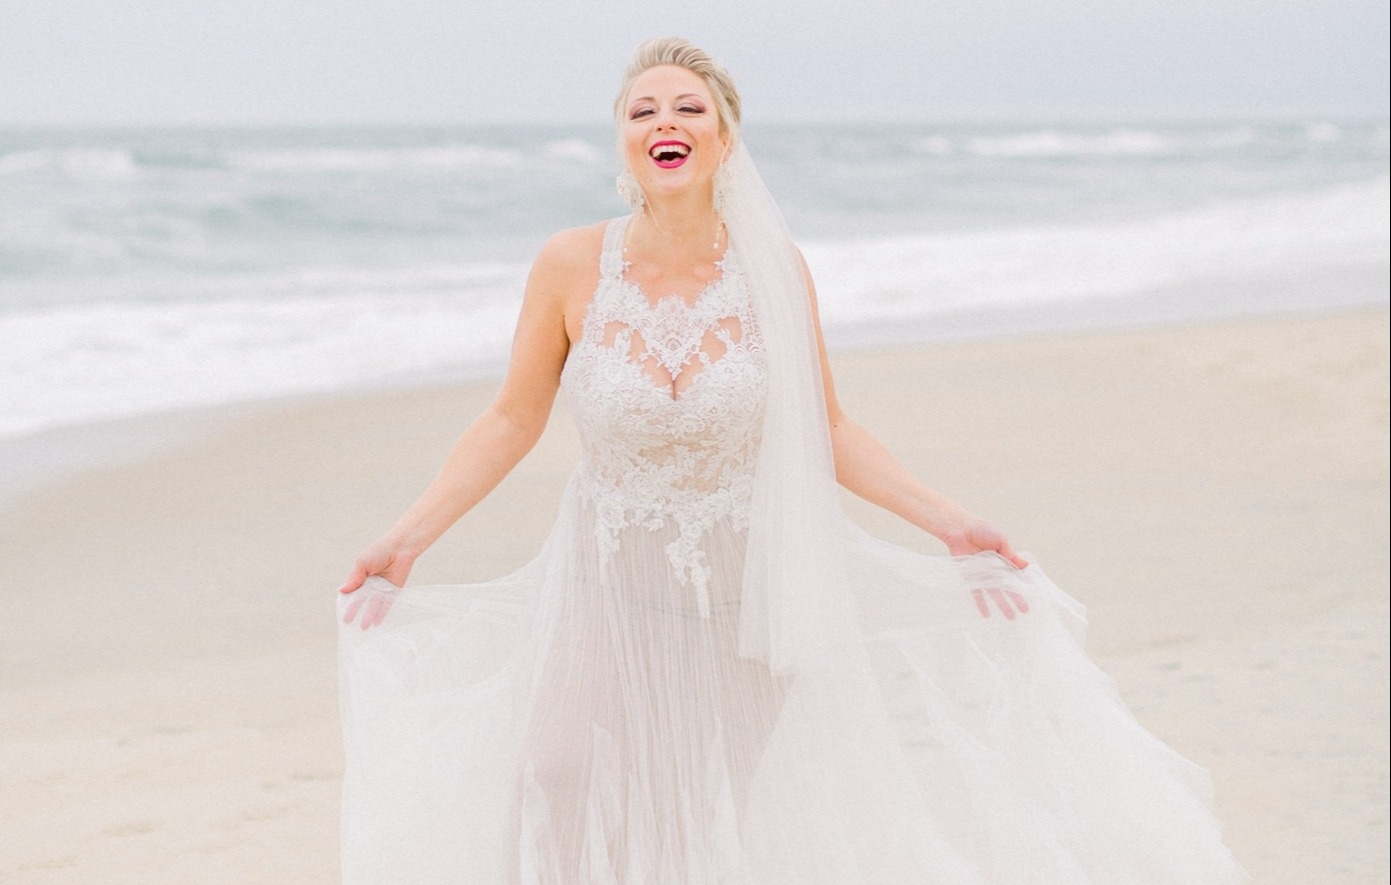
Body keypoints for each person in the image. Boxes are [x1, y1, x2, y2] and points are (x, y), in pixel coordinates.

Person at [336, 37, 1245, 884]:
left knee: (694, 806)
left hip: (749, 590)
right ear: (623, 140)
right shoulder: (570, 264)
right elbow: (510, 417)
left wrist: (949, 522)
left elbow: (829, 429)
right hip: (604, 577)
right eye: (642, 110)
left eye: (688, 108)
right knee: (557, 770)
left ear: (724, 139)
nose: (663, 122)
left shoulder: (771, 269)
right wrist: (405, 538)